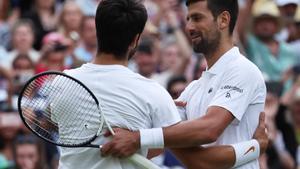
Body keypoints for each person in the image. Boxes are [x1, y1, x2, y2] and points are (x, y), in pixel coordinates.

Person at [58, 0, 268, 169]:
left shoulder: (243, 70)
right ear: (135, 41)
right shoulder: (193, 90)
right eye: (187, 19)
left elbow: (209, 129)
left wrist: (138, 138)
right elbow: (196, 159)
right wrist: (254, 147)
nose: (189, 27)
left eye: (197, 18)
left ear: (223, 20)